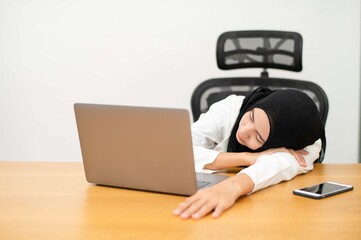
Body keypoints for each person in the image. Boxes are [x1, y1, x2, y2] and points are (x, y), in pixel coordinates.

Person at [173, 87, 326, 220]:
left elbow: (277, 165)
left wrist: (231, 188)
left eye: (258, 137)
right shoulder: (231, 107)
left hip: (267, 211)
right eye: (251, 117)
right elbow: (178, 150)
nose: (244, 132)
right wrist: (247, 157)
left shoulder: (306, 144)